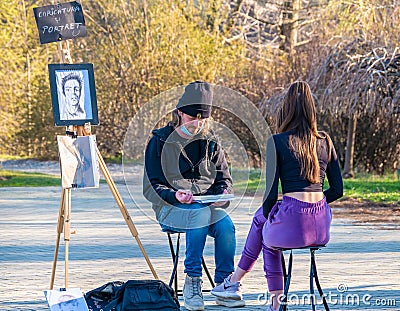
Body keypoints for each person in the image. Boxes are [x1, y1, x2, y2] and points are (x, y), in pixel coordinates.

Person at [211, 81, 343, 310]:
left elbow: (270, 196)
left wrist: (287, 207)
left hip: (293, 224)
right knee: (265, 222)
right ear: (312, 109)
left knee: (263, 229)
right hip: (321, 227)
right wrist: (311, 204)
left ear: (286, 109)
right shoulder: (325, 141)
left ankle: (267, 299)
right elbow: (338, 190)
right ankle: (233, 283)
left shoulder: (277, 142)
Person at [143, 81, 237, 311]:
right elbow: (150, 188)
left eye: (202, 120)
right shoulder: (159, 142)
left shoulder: (212, 142)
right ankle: (192, 281)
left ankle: (225, 284)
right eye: (191, 119)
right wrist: (175, 195)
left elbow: (224, 180)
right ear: (179, 113)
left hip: (205, 206)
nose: (197, 124)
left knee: (226, 225)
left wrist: (222, 195)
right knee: (199, 215)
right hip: (170, 209)